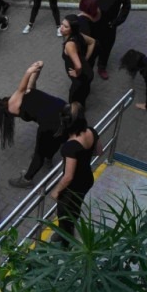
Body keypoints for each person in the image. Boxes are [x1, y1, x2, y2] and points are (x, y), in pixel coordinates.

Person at [0, 61, 67, 188]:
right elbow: (33, 78)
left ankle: (27, 179)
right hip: (64, 108)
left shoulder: (12, 104)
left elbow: (21, 86)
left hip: (51, 122)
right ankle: (48, 158)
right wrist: (38, 67)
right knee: (57, 138)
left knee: (38, 153)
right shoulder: (29, 90)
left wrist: (28, 71)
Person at [50, 102, 102, 241]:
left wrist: (56, 191)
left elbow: (68, 177)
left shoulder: (70, 146)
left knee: (64, 212)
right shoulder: (91, 131)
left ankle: (65, 238)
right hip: (87, 179)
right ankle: (69, 227)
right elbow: (99, 151)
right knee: (76, 207)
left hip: (73, 187)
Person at [88, 0, 131, 80]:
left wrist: (117, 21)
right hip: (94, 24)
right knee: (91, 45)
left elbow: (126, 6)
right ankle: (88, 66)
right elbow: (86, 4)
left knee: (106, 47)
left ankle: (102, 67)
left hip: (110, 25)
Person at [60, 15, 96, 108]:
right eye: (62, 24)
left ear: (72, 29)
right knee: (83, 95)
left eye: (66, 27)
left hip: (80, 79)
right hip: (88, 74)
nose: (61, 28)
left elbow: (79, 66)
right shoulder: (79, 35)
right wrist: (86, 59)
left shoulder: (69, 45)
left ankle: (76, 115)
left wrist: (76, 73)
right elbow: (92, 42)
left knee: (73, 101)